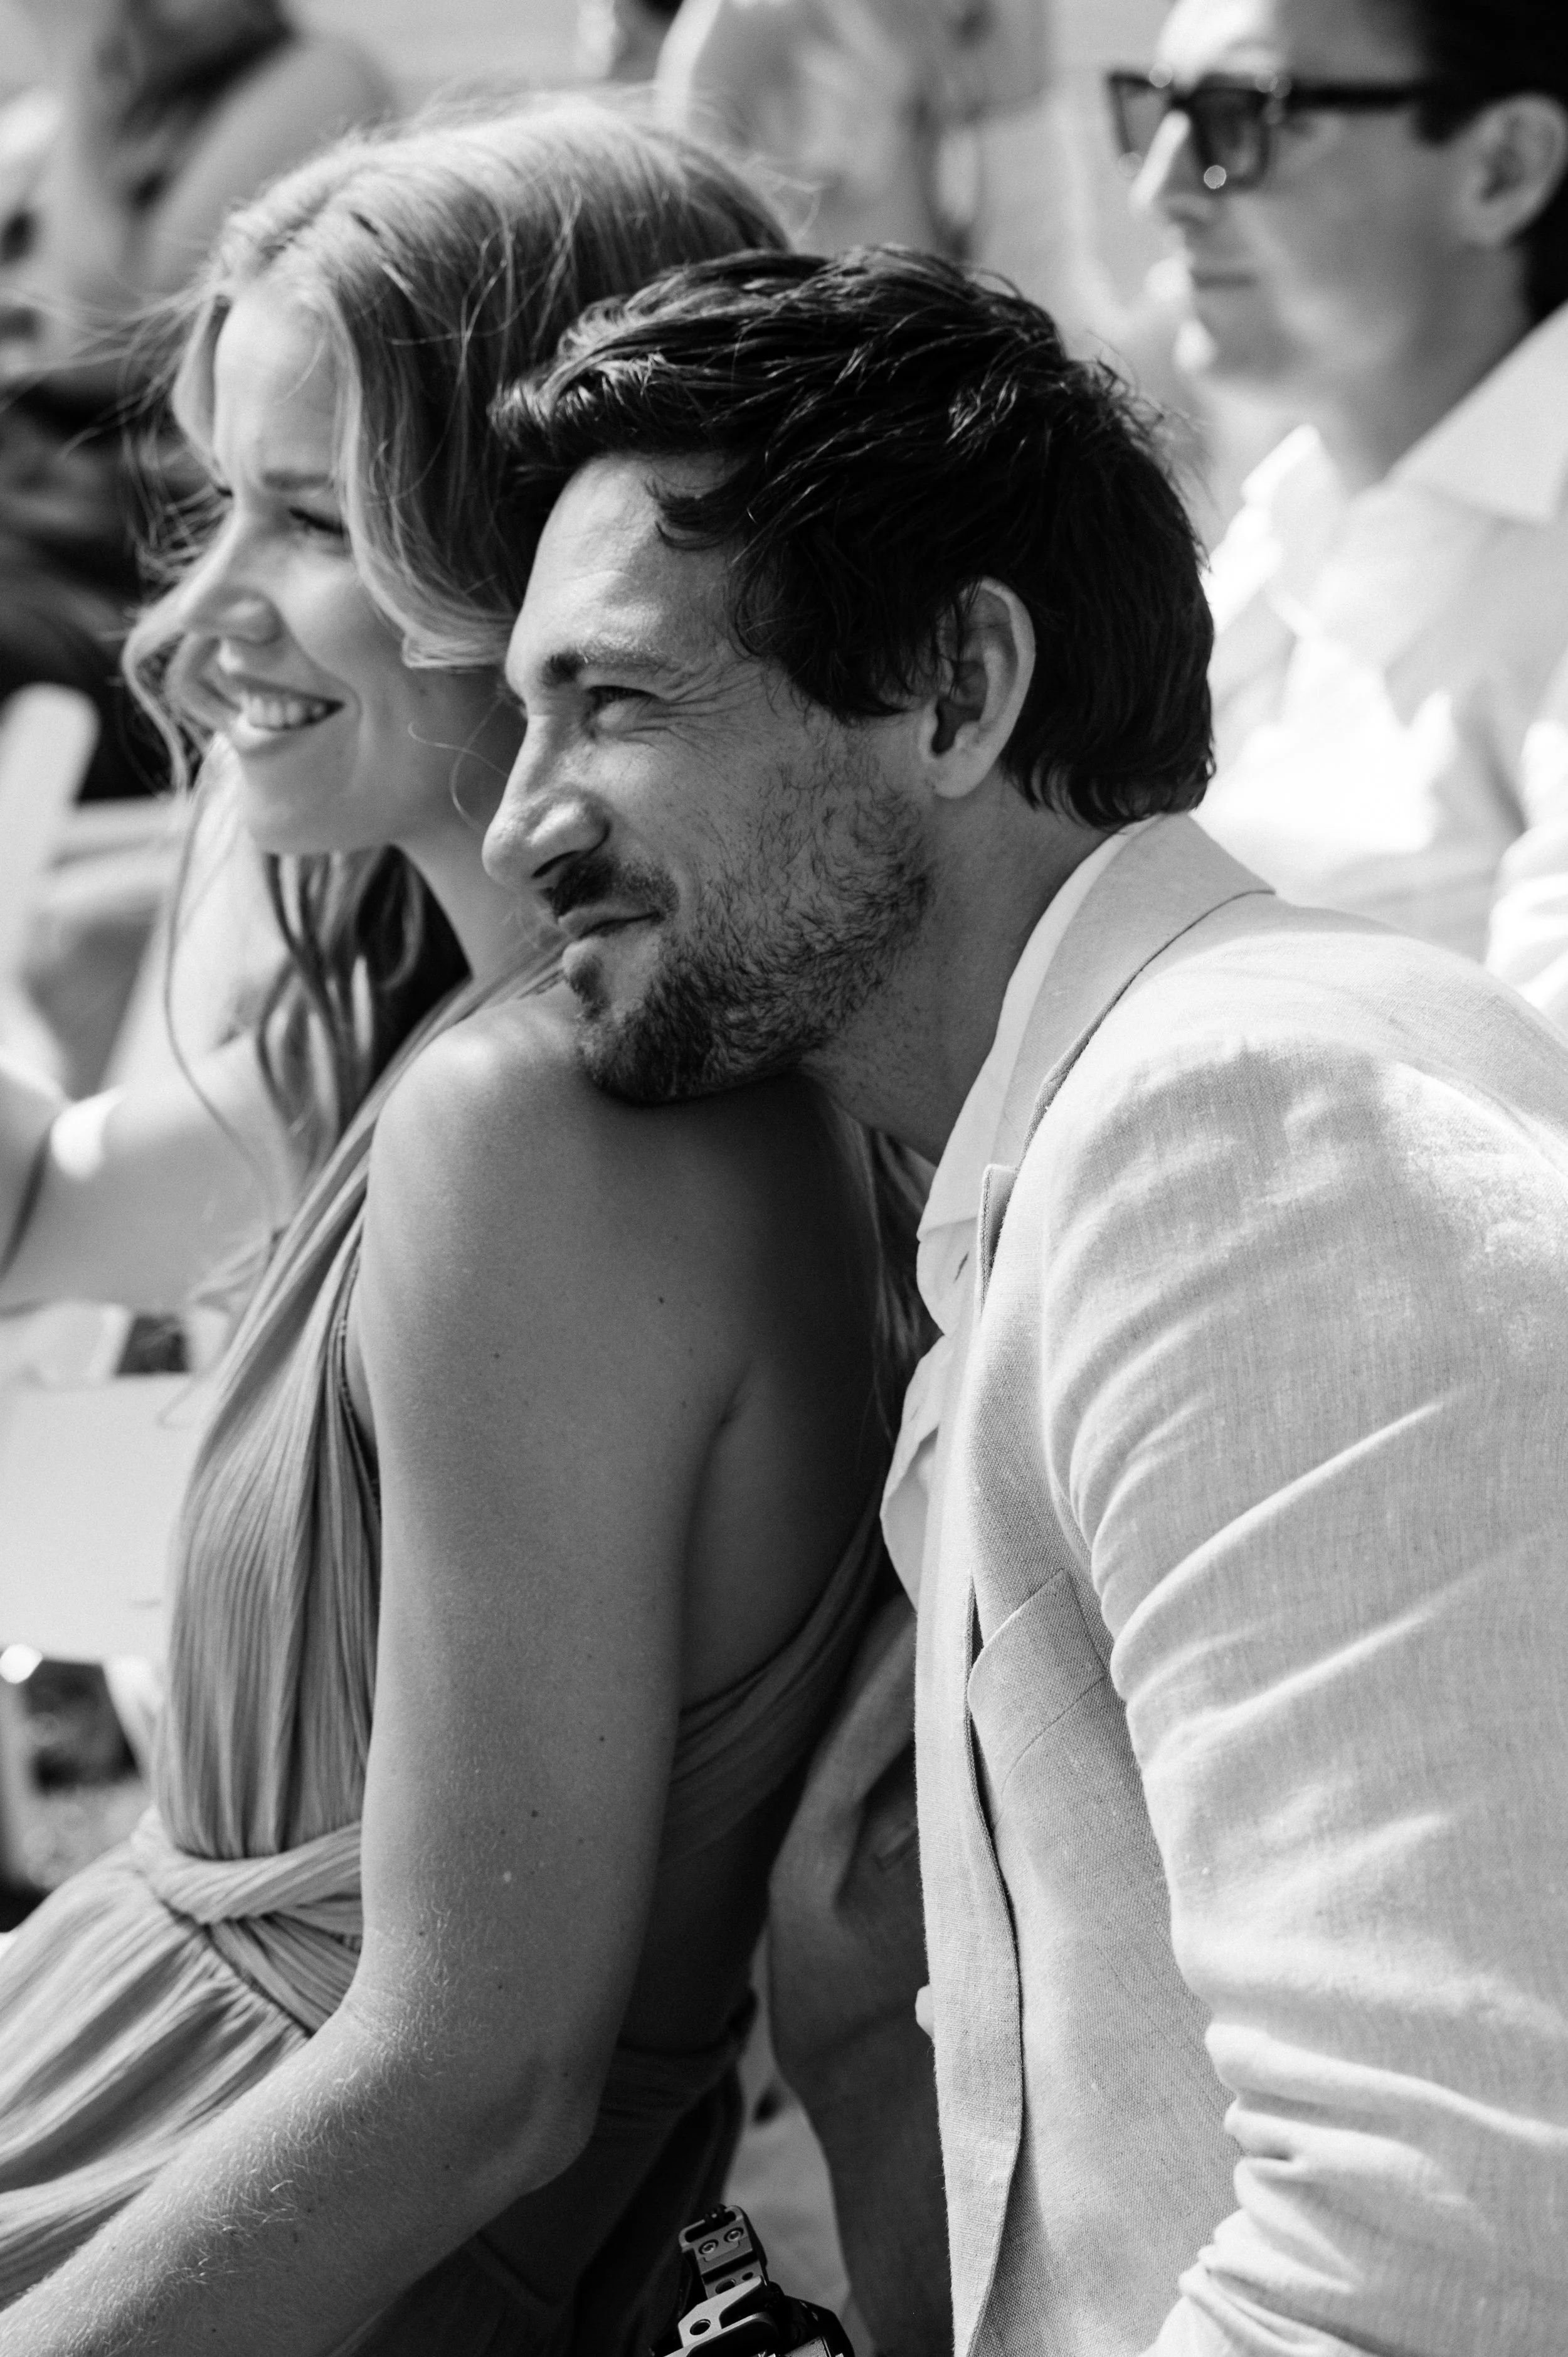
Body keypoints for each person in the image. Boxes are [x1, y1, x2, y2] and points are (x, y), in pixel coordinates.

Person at [485, 244, 1568, 2353]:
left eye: (610, 699)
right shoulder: (1106, 1133)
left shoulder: (1241, 1139)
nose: (525, 818)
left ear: (958, 693)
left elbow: (1447, 2236)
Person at [0, 110, 901, 2356]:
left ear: (550, 556)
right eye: (214, 499)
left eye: (307, 516)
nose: (195, 610)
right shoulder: (465, 1031)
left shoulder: (553, 1127)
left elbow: (476, 2079)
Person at [1108, 0, 1568, 1025]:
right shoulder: (1293, 510)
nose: (1161, 188)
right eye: (1154, 109)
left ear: (1503, 168)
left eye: (1242, 118)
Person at [0, 0, 392, 802]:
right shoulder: (53, 123)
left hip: (128, 538)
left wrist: (77, 56)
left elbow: (115, 336)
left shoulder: (307, 79)